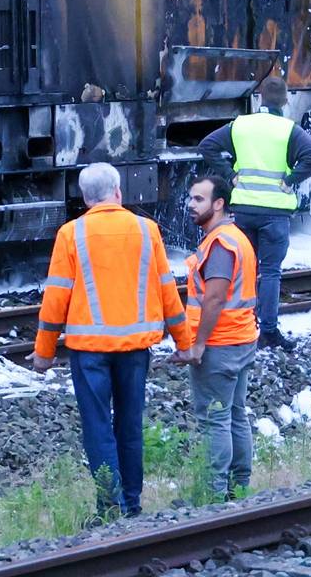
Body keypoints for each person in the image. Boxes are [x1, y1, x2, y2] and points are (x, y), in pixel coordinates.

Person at [32, 162, 192, 519]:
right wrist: (185, 341)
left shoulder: (72, 234)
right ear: (118, 192)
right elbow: (167, 289)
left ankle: (110, 506)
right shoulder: (146, 229)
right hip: (136, 348)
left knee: (98, 427)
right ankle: (132, 504)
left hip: (89, 351)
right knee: (130, 425)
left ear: (85, 198)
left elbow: (56, 297)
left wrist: (43, 352)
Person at [192, 72, 311, 348]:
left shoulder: (241, 126)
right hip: (274, 212)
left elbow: (208, 146)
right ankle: (269, 331)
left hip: (244, 211)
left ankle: (244, 325)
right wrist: (290, 180)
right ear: (285, 101)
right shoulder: (289, 130)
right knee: (271, 271)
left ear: (259, 98)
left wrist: (229, 175)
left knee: (245, 270)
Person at [171, 172, 260, 500]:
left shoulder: (221, 244)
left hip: (220, 344)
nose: (191, 205)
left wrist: (198, 345)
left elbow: (215, 297)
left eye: (199, 199)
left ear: (219, 203)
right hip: (241, 338)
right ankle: (239, 487)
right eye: (191, 198)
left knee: (215, 419)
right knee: (235, 413)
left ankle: (214, 493)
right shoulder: (234, 237)